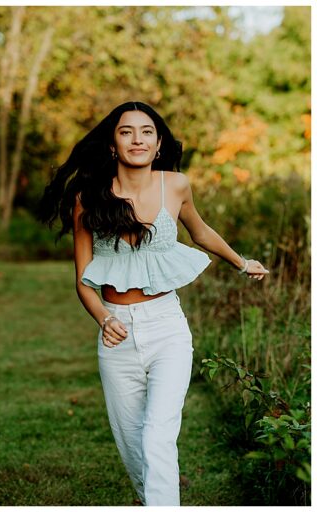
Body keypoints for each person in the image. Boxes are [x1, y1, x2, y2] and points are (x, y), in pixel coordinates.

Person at [38, 101, 269, 505]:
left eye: (146, 131)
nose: (137, 139)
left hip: (167, 327)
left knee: (157, 437)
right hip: (117, 335)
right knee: (134, 448)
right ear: (113, 145)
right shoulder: (88, 196)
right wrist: (103, 318)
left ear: (158, 142)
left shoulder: (175, 185)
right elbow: (84, 281)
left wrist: (241, 262)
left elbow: (200, 232)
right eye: (126, 132)